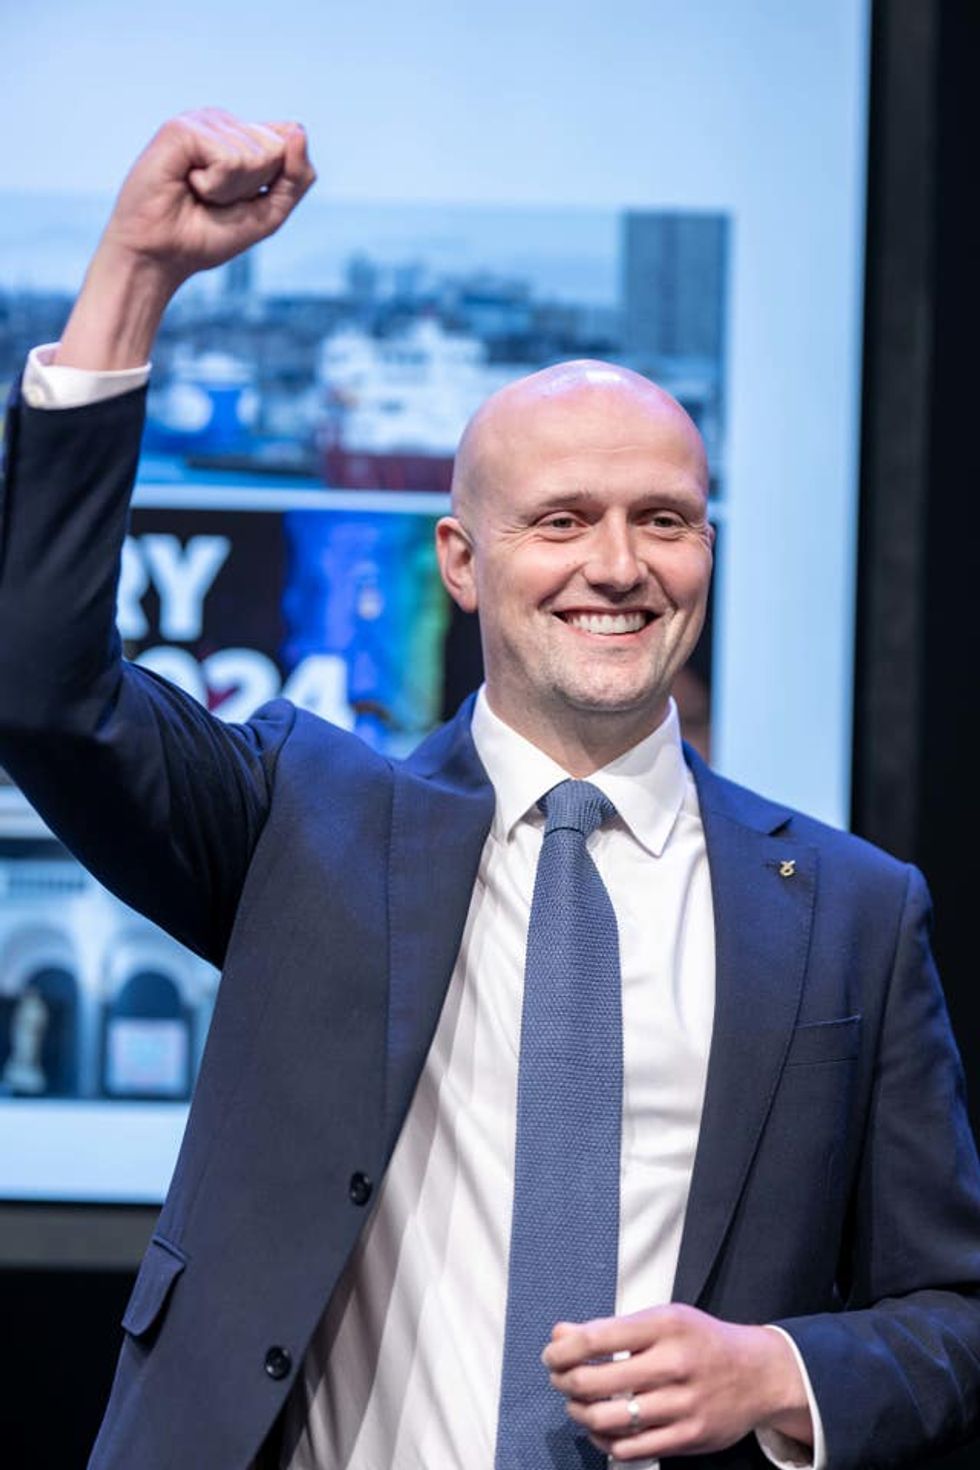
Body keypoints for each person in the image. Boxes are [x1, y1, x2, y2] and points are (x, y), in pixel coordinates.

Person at [1, 109, 979, 1470]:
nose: (621, 564)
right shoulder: (307, 817)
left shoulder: (852, 910)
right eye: (563, 520)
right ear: (462, 561)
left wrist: (780, 1367)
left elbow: (953, 1313)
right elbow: (44, 689)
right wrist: (134, 276)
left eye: (666, 519)